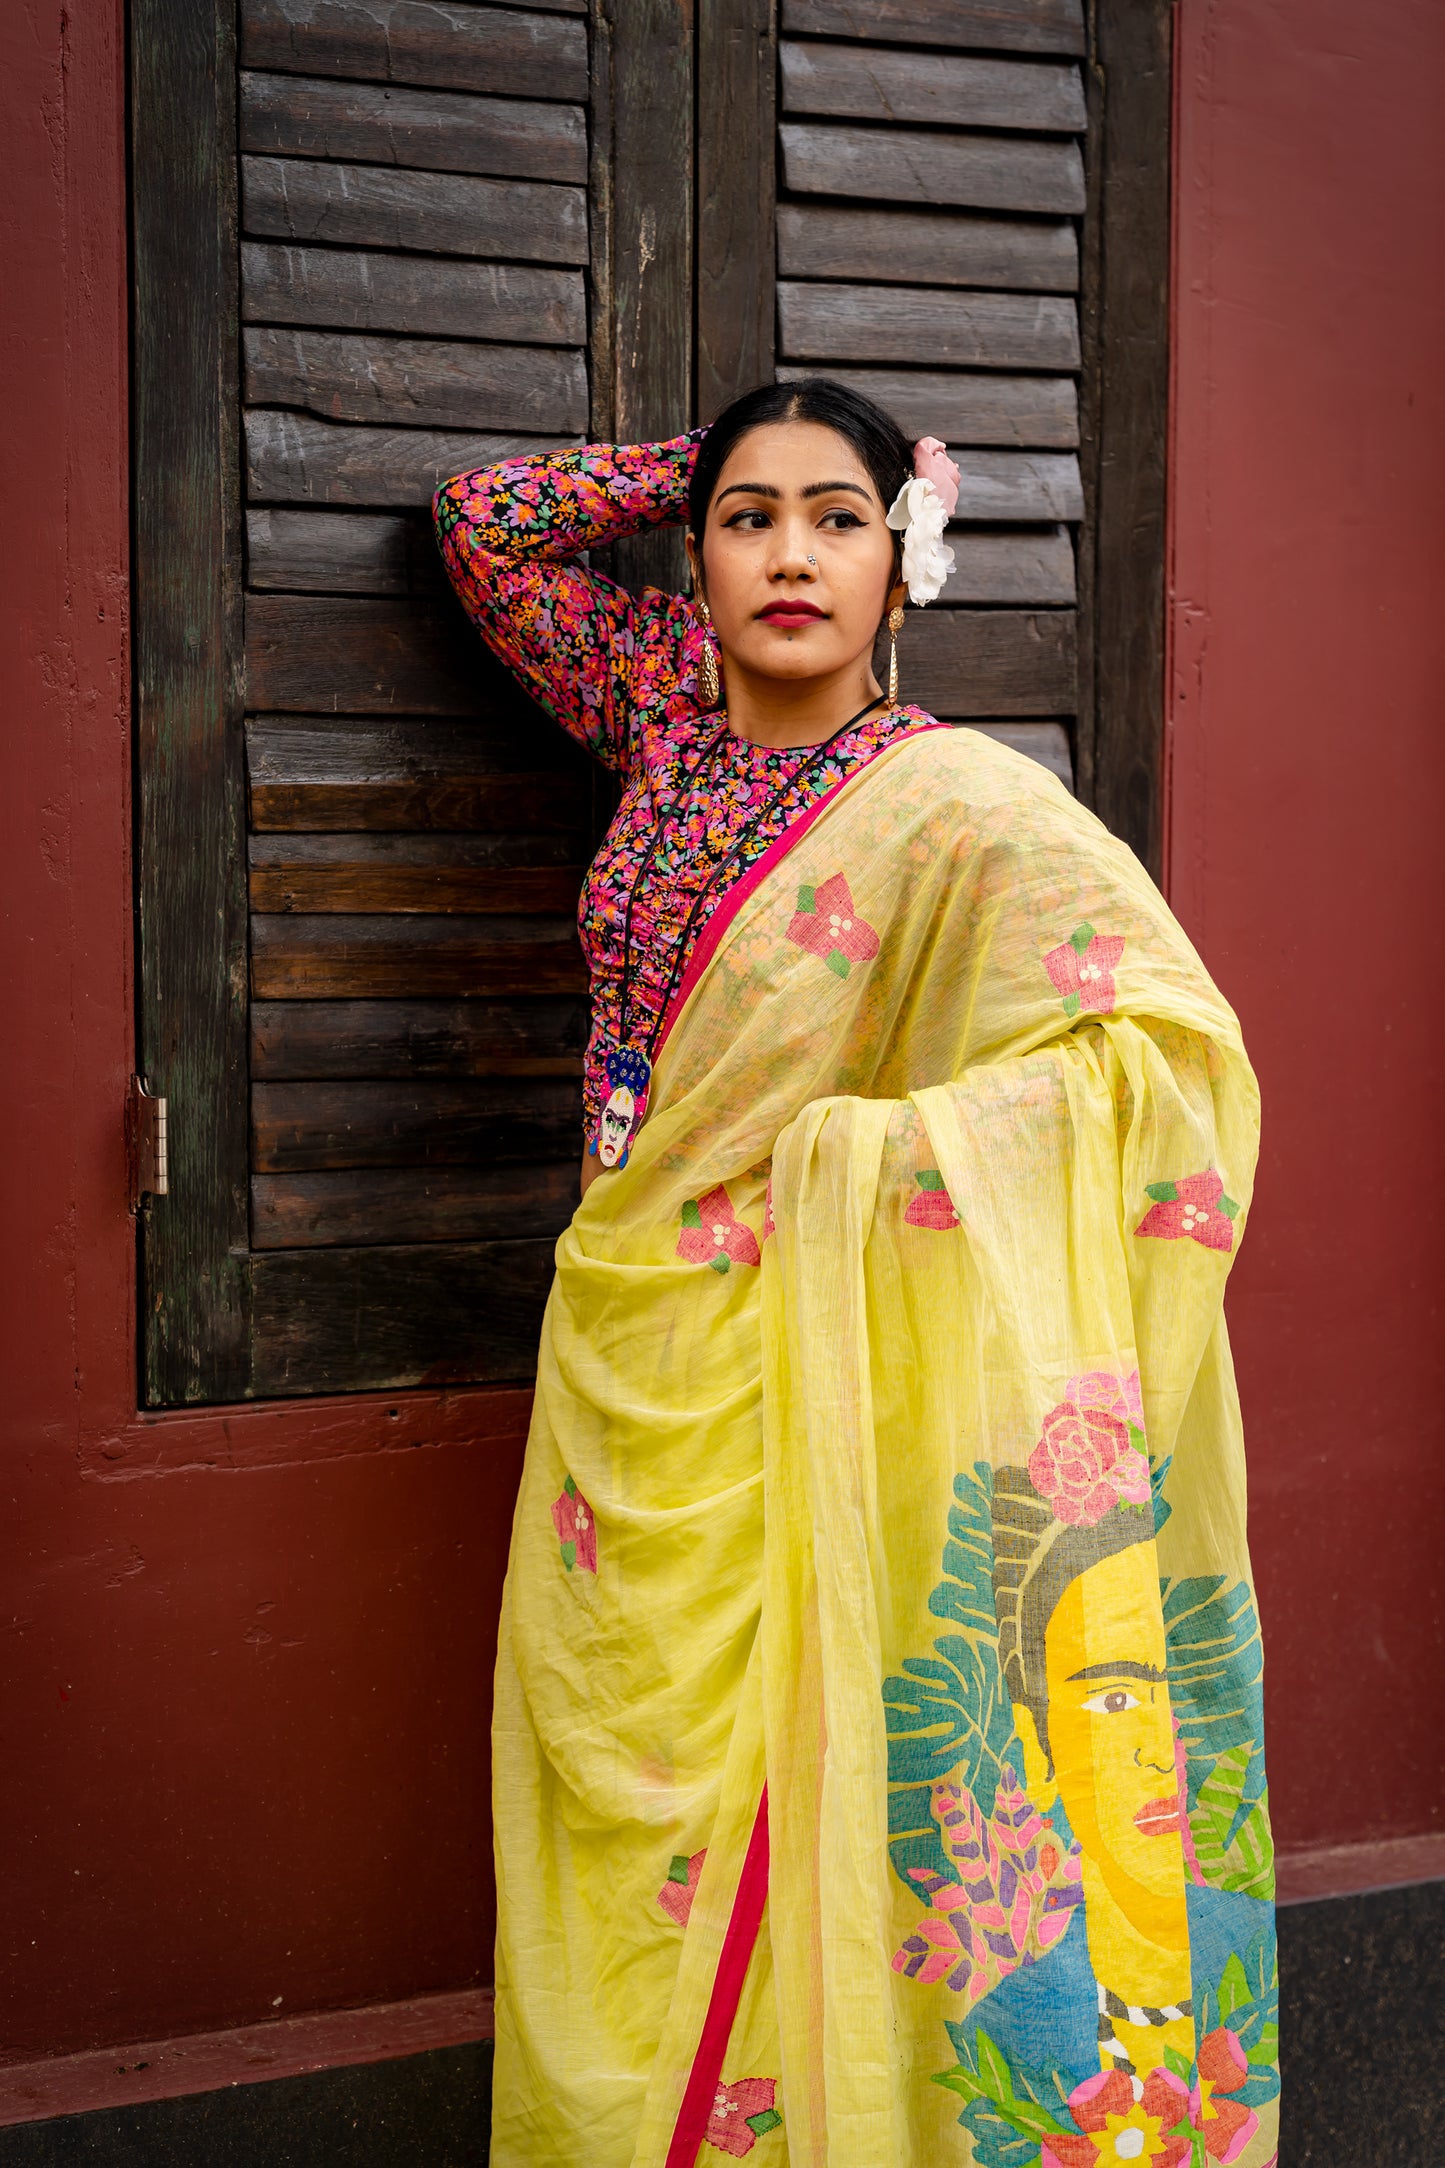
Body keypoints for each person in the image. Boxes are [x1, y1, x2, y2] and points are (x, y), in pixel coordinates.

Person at [434, 380, 1279, 2168]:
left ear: (906, 565)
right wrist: (699, 462)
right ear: (694, 559)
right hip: (627, 1336)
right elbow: (482, 530)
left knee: (817, 1761)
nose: (790, 556)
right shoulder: (657, 707)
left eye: (838, 519)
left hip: (811, 1347)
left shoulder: (961, 805)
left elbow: (1162, 1056)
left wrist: (866, 1163)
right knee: (620, 1769)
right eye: (749, 522)